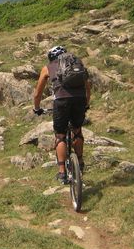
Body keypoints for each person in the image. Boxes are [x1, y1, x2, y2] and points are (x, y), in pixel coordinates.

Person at [33, 46, 91, 184]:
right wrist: (86, 104)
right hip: (80, 99)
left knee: (60, 135)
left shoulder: (48, 68)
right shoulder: (77, 63)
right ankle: (80, 161)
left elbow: (37, 94)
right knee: (77, 130)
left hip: (62, 101)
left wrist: (37, 108)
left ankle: (62, 172)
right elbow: (87, 86)